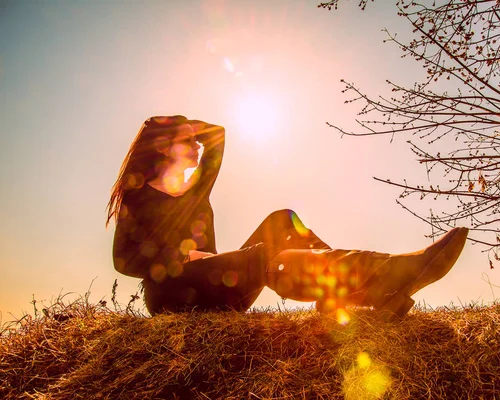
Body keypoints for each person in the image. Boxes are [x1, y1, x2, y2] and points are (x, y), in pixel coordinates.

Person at [107, 115, 468, 317]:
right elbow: (124, 260)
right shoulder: (139, 196)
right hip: (174, 297)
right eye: (187, 141)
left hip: (216, 283)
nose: (197, 146)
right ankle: (389, 271)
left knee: (282, 220)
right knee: (265, 255)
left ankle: (348, 292)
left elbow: (216, 136)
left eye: (194, 141)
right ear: (163, 145)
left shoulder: (193, 194)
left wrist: (187, 127)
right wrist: (185, 257)